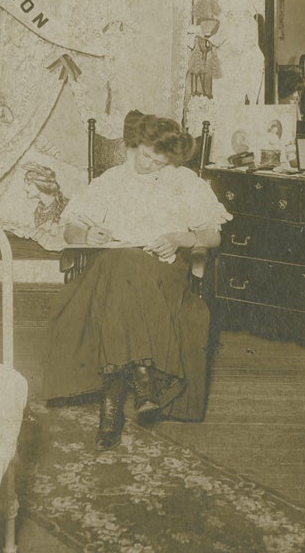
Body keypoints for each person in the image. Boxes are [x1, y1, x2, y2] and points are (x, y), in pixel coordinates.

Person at [43, 111, 230, 450]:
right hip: (112, 268)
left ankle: (111, 407)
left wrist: (180, 238)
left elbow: (212, 235)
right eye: (146, 156)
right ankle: (143, 379)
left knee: (121, 269)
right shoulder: (112, 180)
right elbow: (71, 229)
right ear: (135, 145)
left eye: (160, 162)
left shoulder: (184, 182)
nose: (150, 166)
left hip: (162, 272)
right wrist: (88, 234)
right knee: (120, 262)